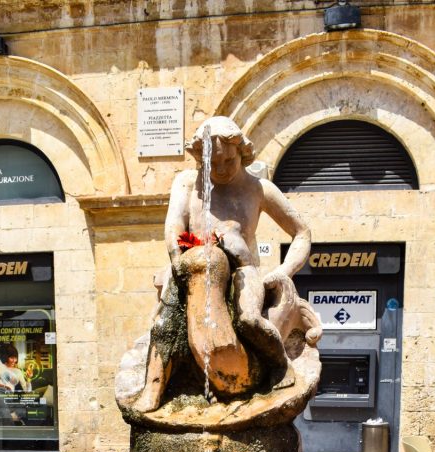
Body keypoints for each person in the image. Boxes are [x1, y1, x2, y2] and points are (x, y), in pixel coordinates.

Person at [133, 116, 315, 413]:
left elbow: (301, 232)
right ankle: (154, 387)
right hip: (193, 266)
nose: (219, 169)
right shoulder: (187, 183)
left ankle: (280, 367)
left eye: (227, 161)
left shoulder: (259, 189)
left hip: (243, 271)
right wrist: (177, 263)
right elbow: (174, 228)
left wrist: (282, 272)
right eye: (211, 163)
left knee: (249, 321)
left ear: (240, 153)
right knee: (164, 322)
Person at [0, 342, 32, 424]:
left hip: (9, 398)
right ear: (6, 357)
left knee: (26, 406)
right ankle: (10, 430)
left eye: (15, 358)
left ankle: (8, 415)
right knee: (2, 406)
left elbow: (28, 391)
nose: (14, 360)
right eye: (11, 358)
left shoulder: (18, 372)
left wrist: (29, 378)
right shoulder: (0, 365)